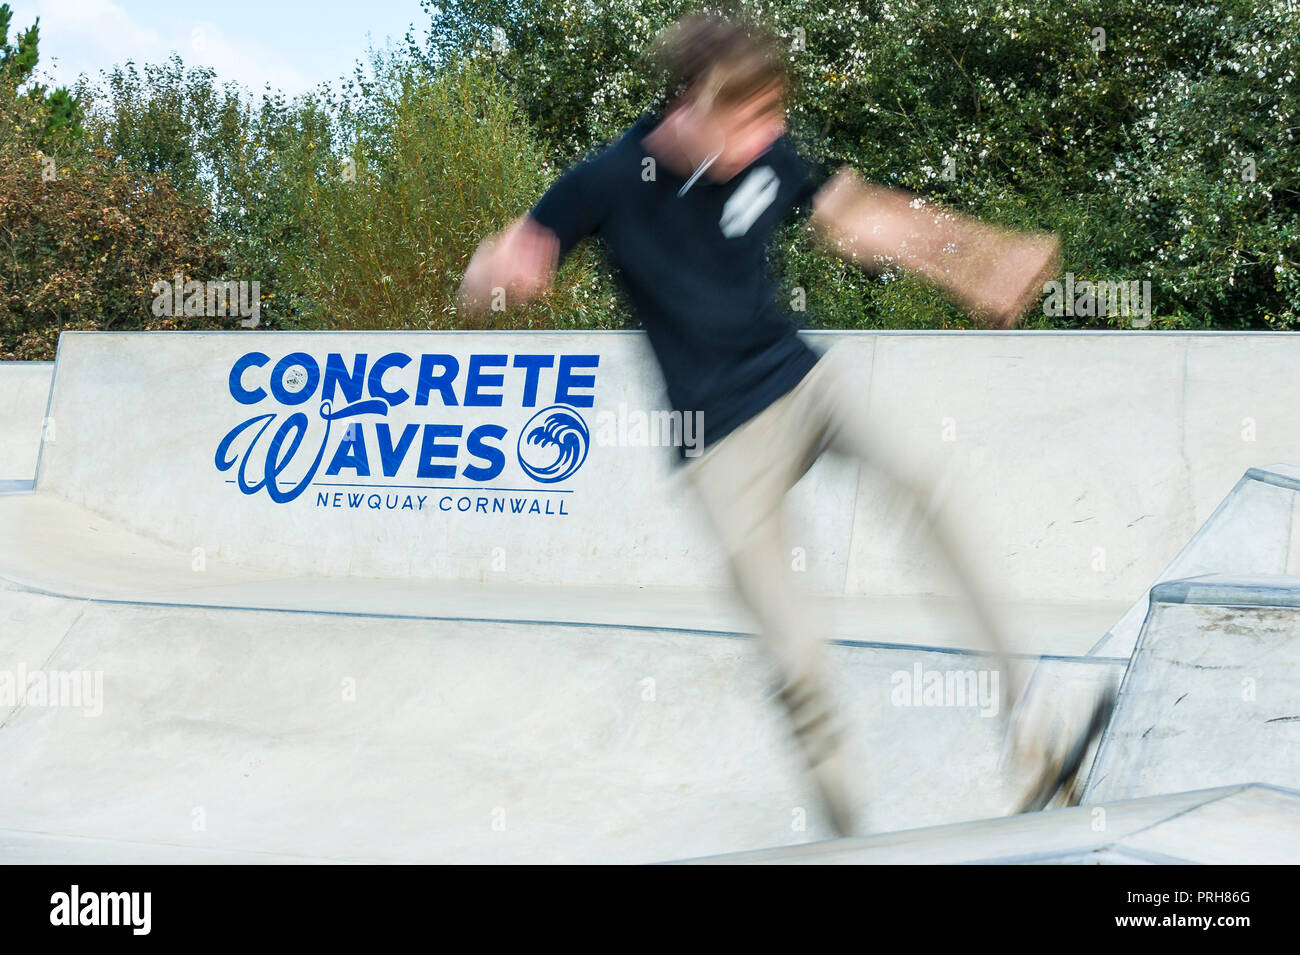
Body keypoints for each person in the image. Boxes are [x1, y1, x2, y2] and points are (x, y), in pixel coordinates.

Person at [458, 14, 1099, 835]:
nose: (770, 137)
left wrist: (975, 257)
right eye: (751, 119)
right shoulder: (609, 179)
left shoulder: (770, 151)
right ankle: (845, 831)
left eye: (775, 116)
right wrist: (499, 267)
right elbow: (503, 256)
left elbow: (866, 213)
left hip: (802, 384)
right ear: (692, 105)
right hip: (718, 443)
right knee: (795, 658)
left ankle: (1032, 723)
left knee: (922, 480)